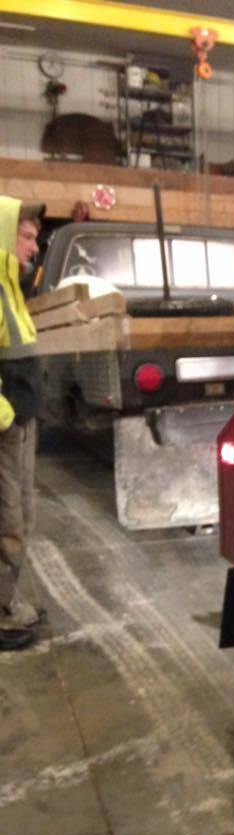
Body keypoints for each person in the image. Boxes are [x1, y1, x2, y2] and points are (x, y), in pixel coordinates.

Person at [0, 197, 46, 650]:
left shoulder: (12, 287)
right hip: (6, 428)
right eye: (27, 237)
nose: (36, 247)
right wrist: (6, 416)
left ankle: (8, 600)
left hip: (20, 424)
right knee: (6, 520)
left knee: (21, 515)